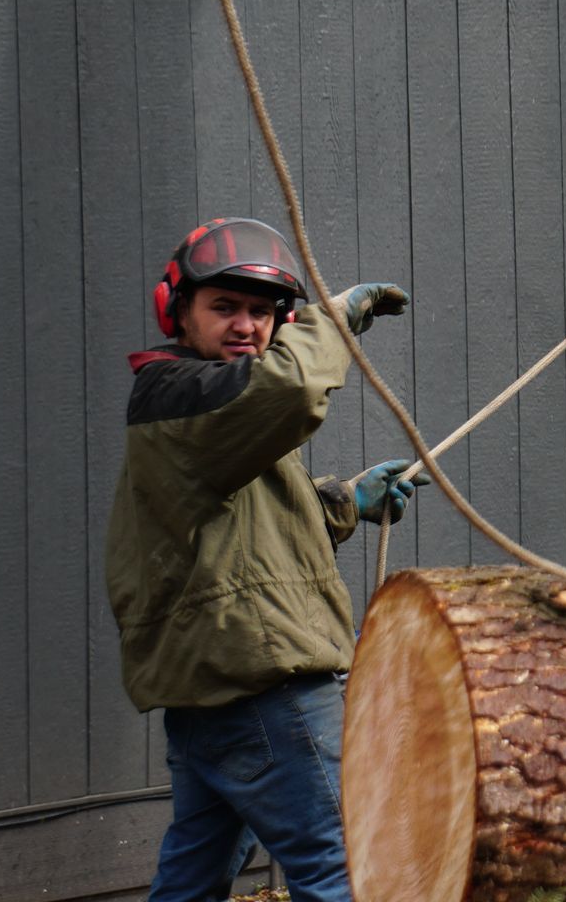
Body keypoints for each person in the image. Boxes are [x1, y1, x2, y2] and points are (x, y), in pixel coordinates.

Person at [105, 217, 427, 902]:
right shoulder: (183, 395)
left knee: (191, 880)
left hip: (209, 699)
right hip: (264, 692)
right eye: (224, 306)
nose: (247, 325)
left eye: (261, 311)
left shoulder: (202, 413)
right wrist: (334, 321)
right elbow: (288, 389)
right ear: (178, 312)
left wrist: (345, 501)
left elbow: (242, 529)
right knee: (347, 872)